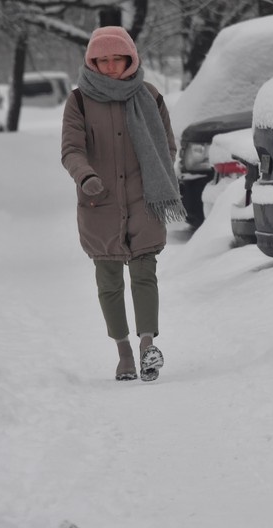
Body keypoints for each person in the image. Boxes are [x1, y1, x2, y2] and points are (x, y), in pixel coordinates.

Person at [60, 26, 185, 382]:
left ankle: (148, 347)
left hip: (145, 199)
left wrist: (156, 180)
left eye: (117, 59)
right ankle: (124, 353)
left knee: (145, 271)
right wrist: (85, 177)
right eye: (103, 60)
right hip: (100, 203)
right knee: (109, 278)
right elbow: (71, 149)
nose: (111, 66)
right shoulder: (80, 101)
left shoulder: (149, 96)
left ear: (130, 58)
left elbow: (167, 147)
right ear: (92, 61)